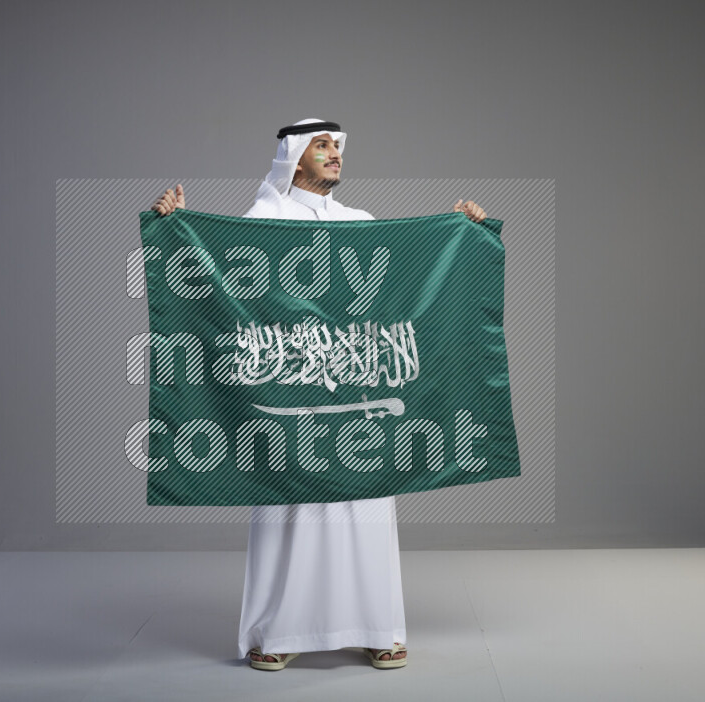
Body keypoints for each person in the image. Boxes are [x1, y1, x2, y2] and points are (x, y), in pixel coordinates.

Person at [151, 119, 487, 671]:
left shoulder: (360, 222)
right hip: (290, 392)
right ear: (294, 158)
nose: (335, 155)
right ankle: (279, 632)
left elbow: (405, 280)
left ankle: (378, 627)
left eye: (337, 147)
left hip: (355, 387)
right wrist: (176, 227)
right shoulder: (264, 222)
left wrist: (457, 231)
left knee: (367, 507)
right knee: (292, 510)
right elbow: (221, 282)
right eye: (322, 147)